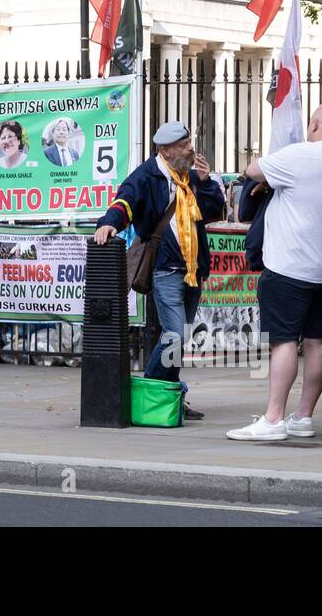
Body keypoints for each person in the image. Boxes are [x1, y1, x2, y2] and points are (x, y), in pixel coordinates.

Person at [228, 104, 322, 440]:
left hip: (288, 264)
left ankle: (273, 419)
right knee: (317, 342)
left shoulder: (301, 155)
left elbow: (253, 169)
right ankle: (303, 416)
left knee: (283, 342)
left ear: (315, 123)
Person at [93, 120, 224, 420]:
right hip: (166, 268)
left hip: (193, 269)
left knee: (179, 337)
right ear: (165, 150)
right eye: (183, 145)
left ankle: (169, 396)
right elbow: (125, 201)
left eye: (189, 142)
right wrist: (109, 223)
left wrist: (205, 183)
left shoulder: (192, 177)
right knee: (174, 336)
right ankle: (151, 392)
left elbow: (213, 212)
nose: (191, 148)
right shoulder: (148, 175)